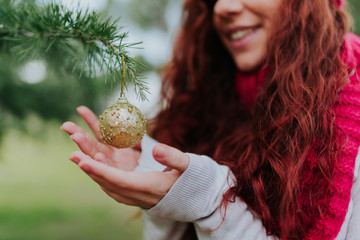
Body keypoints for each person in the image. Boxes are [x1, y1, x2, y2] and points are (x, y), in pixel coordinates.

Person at [61, 0, 360, 239]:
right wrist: (160, 175)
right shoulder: (211, 98)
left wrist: (211, 200)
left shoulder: (350, 102)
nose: (222, 7)